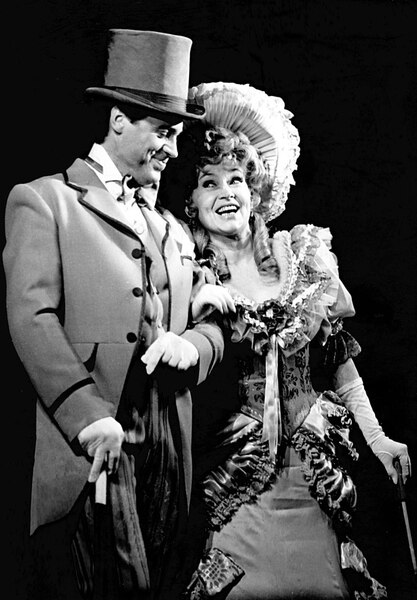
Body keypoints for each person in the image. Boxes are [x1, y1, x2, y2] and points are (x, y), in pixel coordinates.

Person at [158, 82, 412, 599]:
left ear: (254, 190)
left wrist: (379, 439)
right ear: (190, 200)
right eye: (209, 182)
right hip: (237, 466)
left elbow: (338, 360)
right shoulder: (187, 272)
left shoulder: (301, 256)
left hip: (312, 469)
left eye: (236, 179)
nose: (226, 192)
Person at [2, 31, 230, 600]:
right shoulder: (46, 201)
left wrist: (194, 345)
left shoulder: (172, 227)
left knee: (167, 581)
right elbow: (32, 317)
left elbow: (214, 320)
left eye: (176, 136)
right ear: (119, 120)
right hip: (99, 437)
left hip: (170, 445)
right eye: (164, 132)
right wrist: (86, 416)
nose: (172, 150)